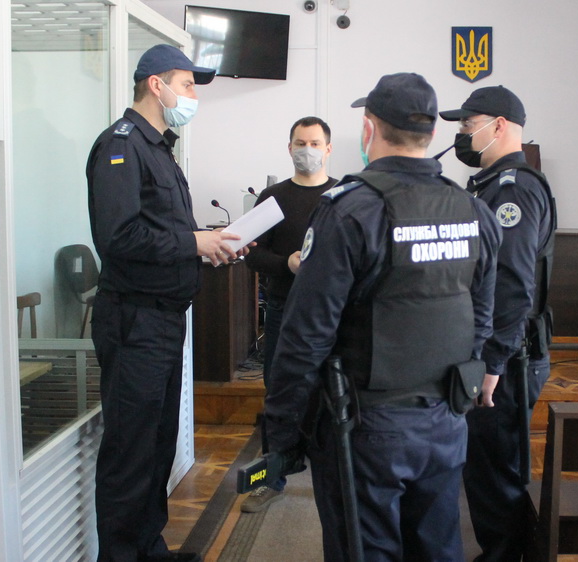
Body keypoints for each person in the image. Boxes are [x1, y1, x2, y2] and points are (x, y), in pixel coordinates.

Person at [263, 73, 502, 560]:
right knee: (436, 547)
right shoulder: (473, 211)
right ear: (431, 132)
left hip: (366, 426)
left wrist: (284, 433)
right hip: (446, 419)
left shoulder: (350, 211)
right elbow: (481, 317)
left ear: (369, 128)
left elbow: (306, 336)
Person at [86, 44, 248, 562]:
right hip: (134, 319)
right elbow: (118, 237)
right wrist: (193, 243)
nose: (193, 95)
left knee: (156, 445)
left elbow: (164, 232)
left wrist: (208, 245)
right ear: (156, 85)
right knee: (130, 451)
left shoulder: (159, 148)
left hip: (162, 318)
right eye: (187, 84)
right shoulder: (120, 146)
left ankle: (149, 549)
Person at [440, 85, 556, 562]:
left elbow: (512, 285)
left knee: (496, 476)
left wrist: (491, 363)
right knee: (486, 471)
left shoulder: (514, 188)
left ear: (499, 126)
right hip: (501, 353)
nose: (463, 135)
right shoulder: (491, 184)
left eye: (468, 125)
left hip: (508, 358)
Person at [242, 116, 337, 513]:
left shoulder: (344, 196)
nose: (307, 150)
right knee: (279, 394)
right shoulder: (273, 197)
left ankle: (334, 479)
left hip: (333, 315)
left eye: (314, 143)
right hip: (284, 309)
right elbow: (252, 254)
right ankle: (271, 479)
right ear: (289, 147)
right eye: (300, 143)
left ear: (328, 149)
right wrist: (287, 263)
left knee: (333, 395)